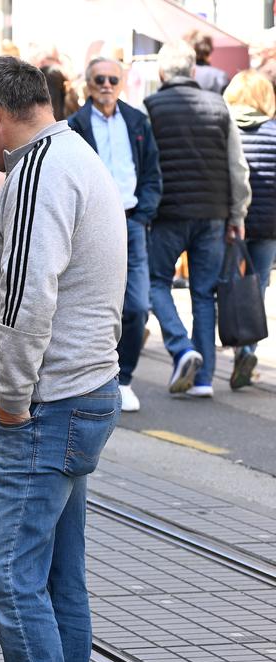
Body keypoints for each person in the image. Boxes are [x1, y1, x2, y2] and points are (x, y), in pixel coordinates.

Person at [0, 56, 125, 662]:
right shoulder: (75, 154)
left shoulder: (35, 174)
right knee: (58, 574)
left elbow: (27, 298)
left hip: (45, 402)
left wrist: (12, 398)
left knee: (6, 572)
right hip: (81, 390)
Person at [144, 41, 250, 400]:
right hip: (213, 214)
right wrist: (238, 213)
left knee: (154, 282)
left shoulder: (151, 108)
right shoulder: (219, 105)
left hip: (168, 214)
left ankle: (180, 346)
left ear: (162, 73)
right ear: (192, 71)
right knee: (204, 294)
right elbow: (237, 166)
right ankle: (204, 380)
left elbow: (147, 164)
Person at [68, 57, 163, 413]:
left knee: (136, 306)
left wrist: (143, 214)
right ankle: (93, 380)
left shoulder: (137, 121)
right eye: (99, 79)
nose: (106, 85)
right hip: (90, 224)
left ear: (121, 83)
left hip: (131, 221)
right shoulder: (74, 126)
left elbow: (152, 172)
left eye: (112, 79)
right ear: (88, 84)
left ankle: (125, 378)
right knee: (92, 303)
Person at [224, 69, 276, 390]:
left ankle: (232, 343)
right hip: (269, 224)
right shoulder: (274, 132)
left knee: (228, 284)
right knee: (258, 287)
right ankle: (247, 350)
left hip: (231, 220)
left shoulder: (225, 128)